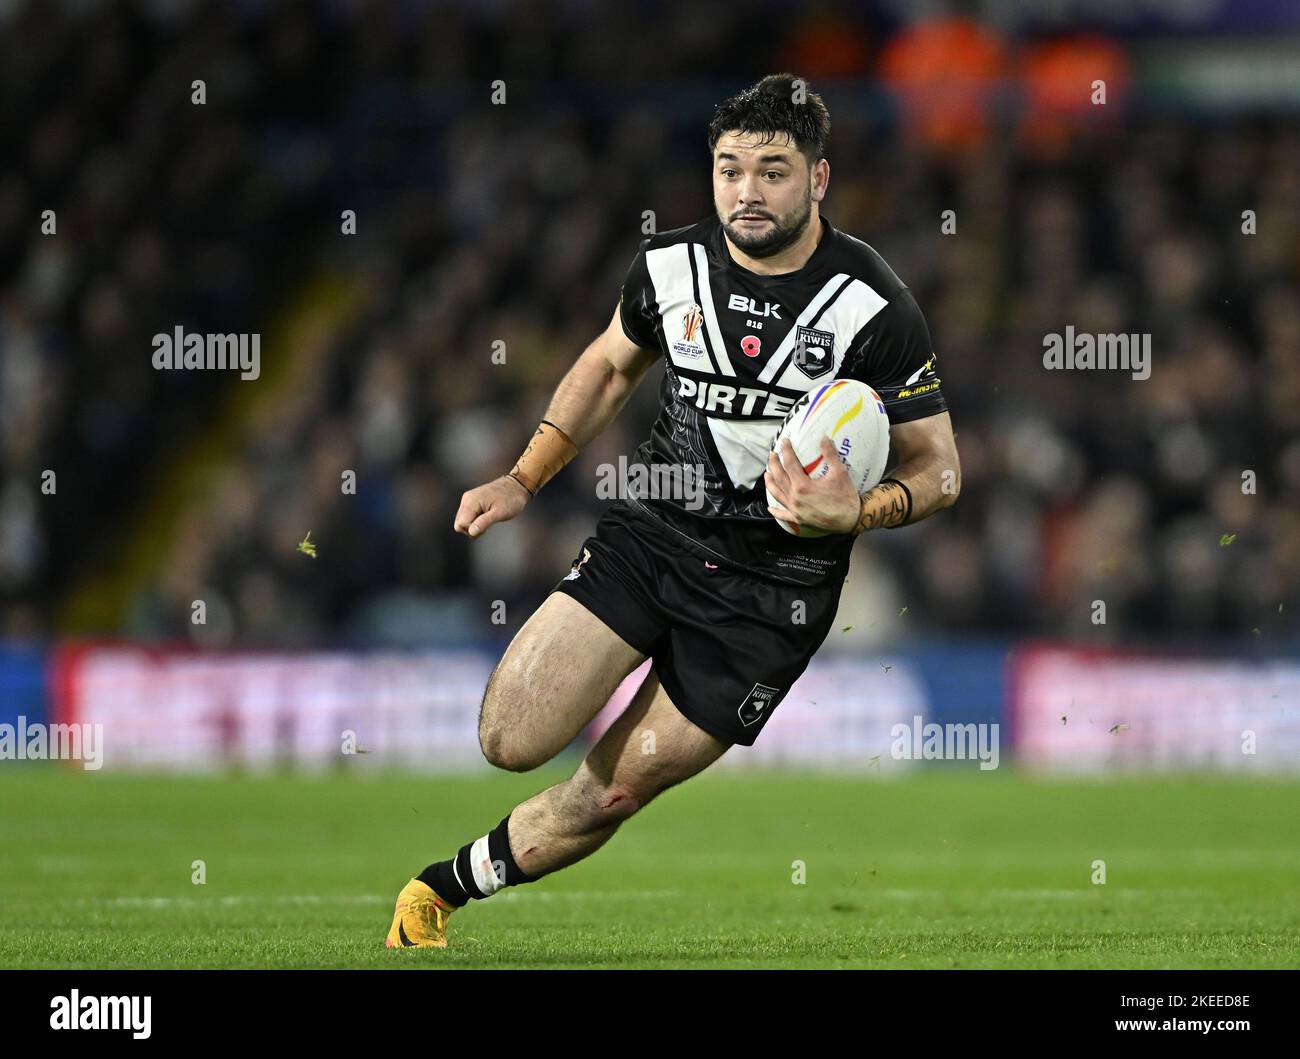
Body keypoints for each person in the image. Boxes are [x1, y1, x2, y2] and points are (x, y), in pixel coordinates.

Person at [386, 73, 960, 948]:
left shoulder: (876, 307)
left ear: (819, 180)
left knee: (613, 789)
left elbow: (941, 471)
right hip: (654, 536)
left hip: (773, 595)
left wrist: (859, 513)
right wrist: (522, 477)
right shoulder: (669, 267)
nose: (747, 191)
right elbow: (610, 367)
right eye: (730, 169)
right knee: (509, 735)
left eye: (773, 171)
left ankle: (440, 889)